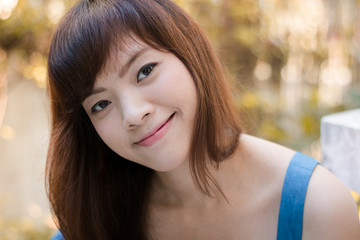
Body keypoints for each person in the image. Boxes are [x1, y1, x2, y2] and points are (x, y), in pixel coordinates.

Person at [46, 0, 360, 239]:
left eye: (144, 71)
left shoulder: (316, 207)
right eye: (101, 104)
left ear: (190, 54)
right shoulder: (93, 214)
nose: (133, 113)